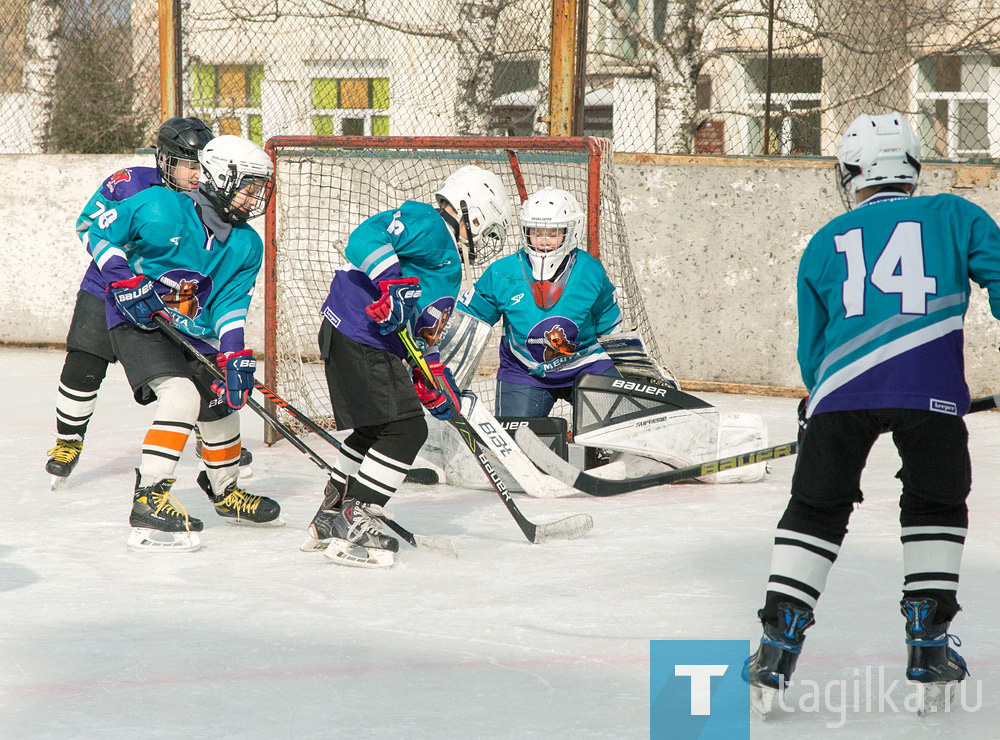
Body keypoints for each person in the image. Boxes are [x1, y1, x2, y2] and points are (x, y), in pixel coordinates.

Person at [742, 112, 998, 713]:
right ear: (913, 168)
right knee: (936, 501)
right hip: (929, 390)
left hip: (840, 393)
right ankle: (928, 642)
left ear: (850, 173)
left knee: (815, 508)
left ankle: (778, 643)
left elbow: (814, 347)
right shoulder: (958, 215)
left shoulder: (825, 239)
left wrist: (820, 401)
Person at [303, 165, 513, 568]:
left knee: (375, 429)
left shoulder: (450, 264)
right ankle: (358, 516)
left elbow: (420, 333)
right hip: (359, 332)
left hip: (359, 337)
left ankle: (330, 515)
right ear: (473, 211)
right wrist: (390, 282)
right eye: (487, 230)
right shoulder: (430, 222)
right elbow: (364, 238)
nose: (486, 241)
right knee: (406, 429)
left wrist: (432, 375)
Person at [85, 134, 280, 552]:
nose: (253, 197)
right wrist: (124, 279)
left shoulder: (247, 243)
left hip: (192, 329)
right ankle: (150, 497)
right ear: (220, 177)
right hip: (138, 321)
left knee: (223, 398)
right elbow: (96, 232)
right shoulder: (159, 206)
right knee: (181, 397)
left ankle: (224, 490)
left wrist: (233, 352)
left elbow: (229, 302)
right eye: (247, 185)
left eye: (259, 188)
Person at [45, 117, 218, 483]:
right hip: (106, 288)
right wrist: (122, 274)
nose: (197, 174)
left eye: (202, 164)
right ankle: (68, 440)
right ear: (165, 159)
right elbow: (88, 227)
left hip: (172, 297)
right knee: (84, 362)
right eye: (189, 163)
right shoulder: (130, 183)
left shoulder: (208, 197)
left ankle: (211, 434)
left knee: (195, 368)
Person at [456, 186, 622, 418]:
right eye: (537, 232)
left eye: (553, 233)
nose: (543, 241)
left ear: (571, 231)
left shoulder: (590, 271)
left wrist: (633, 370)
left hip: (587, 364)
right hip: (525, 372)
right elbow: (467, 324)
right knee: (517, 448)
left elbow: (611, 329)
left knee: (617, 431)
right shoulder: (502, 273)